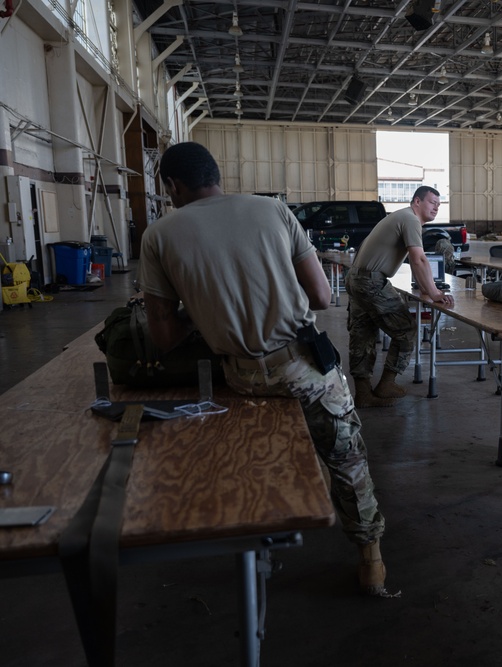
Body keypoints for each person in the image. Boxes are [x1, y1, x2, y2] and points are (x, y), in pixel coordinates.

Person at [139, 142, 391, 596]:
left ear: (173, 185)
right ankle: (370, 557)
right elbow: (320, 297)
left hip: (242, 380)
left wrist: (206, 303)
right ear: (216, 175)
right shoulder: (273, 211)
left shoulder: (159, 235)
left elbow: (162, 337)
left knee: (253, 463)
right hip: (304, 369)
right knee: (347, 459)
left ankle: (259, 545)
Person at [345, 186, 454, 407]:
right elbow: (419, 259)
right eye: (432, 202)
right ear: (417, 202)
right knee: (406, 329)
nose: (436, 207)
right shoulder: (410, 219)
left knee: (363, 334)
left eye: (439, 204)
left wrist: (425, 288)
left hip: (357, 278)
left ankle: (364, 394)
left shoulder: (401, 217)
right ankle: (386, 384)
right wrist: (433, 292)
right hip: (370, 281)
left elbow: (416, 261)